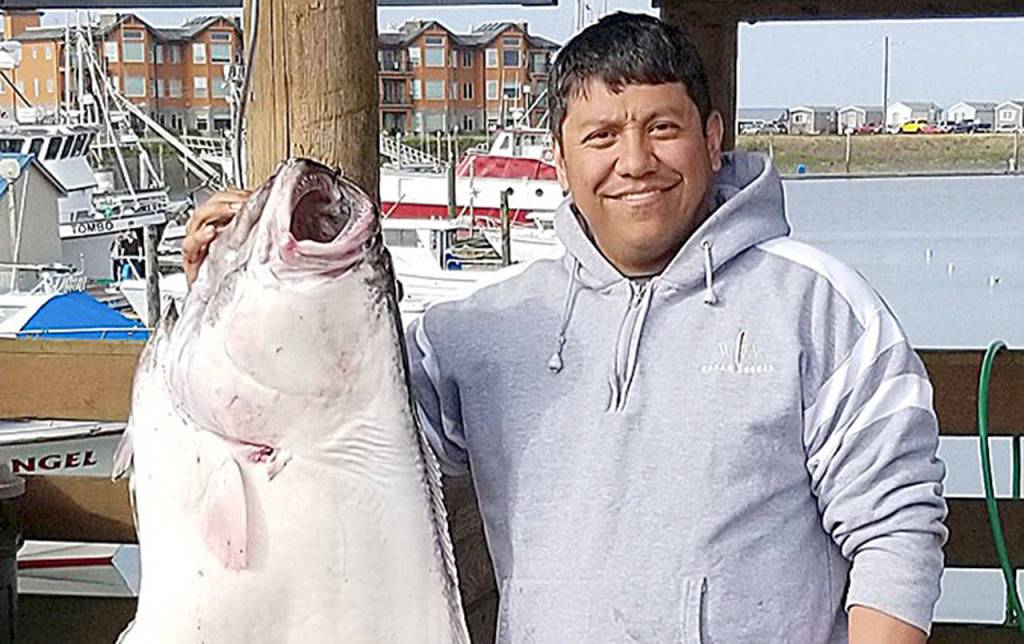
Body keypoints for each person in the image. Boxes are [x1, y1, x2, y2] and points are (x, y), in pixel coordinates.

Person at [182, 13, 947, 643]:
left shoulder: (819, 309)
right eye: (602, 135)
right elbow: (330, 423)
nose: (636, 160)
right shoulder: (483, 331)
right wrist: (231, 290)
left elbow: (896, 529)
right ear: (559, 157)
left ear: (713, 138)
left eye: (663, 127)